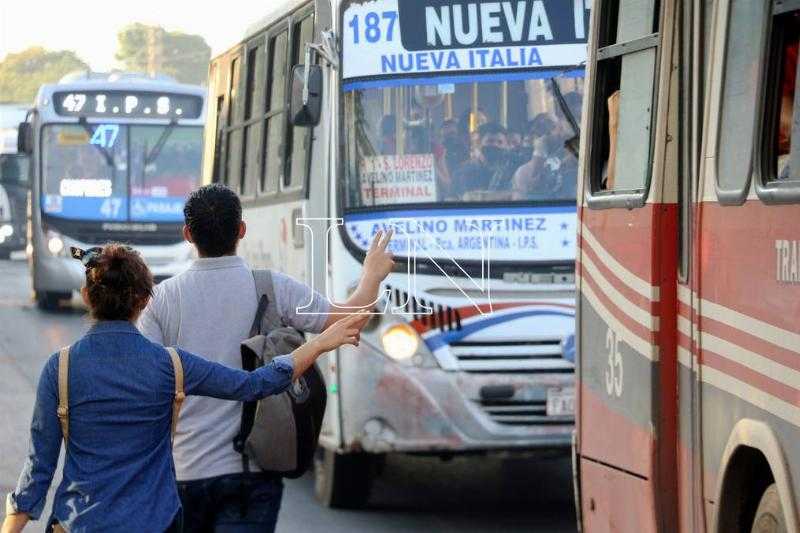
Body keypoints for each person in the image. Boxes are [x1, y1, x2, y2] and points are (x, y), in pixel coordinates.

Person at [1, 244, 364, 533]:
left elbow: (39, 469)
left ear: (87, 294)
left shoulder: (60, 369)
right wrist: (316, 345)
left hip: (77, 523)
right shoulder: (171, 365)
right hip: (153, 522)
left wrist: (13, 522)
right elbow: (254, 385)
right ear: (144, 300)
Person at [137, 184, 394, 532]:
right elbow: (352, 317)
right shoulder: (272, 288)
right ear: (241, 230)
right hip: (250, 475)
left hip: (181, 476)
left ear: (187, 234)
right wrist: (372, 276)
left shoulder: (161, 299)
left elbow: (146, 391)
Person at [454, 122, 515, 197]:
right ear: (479, 143)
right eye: (490, 141)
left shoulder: (510, 172)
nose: (495, 145)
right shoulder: (464, 171)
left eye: (500, 142)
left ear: (505, 145)